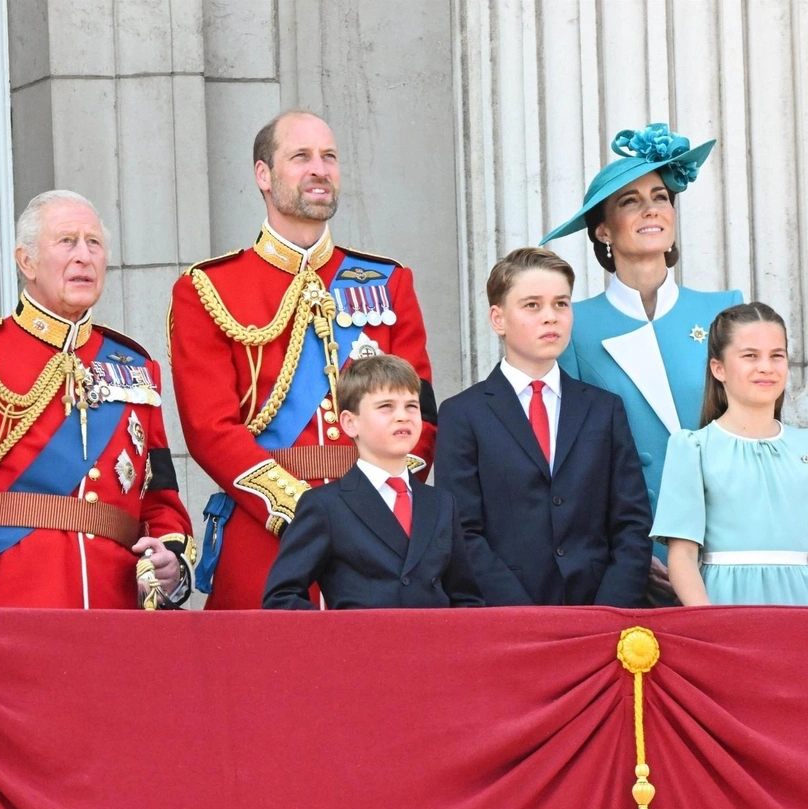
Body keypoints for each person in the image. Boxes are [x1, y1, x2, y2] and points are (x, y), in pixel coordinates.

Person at [169, 110, 437, 609]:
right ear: (263, 175)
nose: (320, 168)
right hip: (265, 536)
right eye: (301, 157)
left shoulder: (388, 282)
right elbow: (210, 428)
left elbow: (423, 416)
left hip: (381, 539)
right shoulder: (207, 289)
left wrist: (373, 507)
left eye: (329, 156)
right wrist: (309, 512)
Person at [0, 190, 195, 609]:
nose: (84, 256)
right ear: (26, 261)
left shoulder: (135, 366)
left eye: (93, 243)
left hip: (114, 613)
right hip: (12, 611)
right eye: (67, 241)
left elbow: (160, 499)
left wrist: (169, 561)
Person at [540, 123, 742, 589]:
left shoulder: (722, 309)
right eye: (630, 201)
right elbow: (573, 461)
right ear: (604, 229)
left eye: (661, 196)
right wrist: (626, 555)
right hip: (631, 558)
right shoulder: (573, 325)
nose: (652, 209)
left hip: (725, 548)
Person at [435, 247, 652, 606]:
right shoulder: (463, 414)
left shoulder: (603, 409)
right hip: (505, 616)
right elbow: (462, 530)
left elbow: (631, 523)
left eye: (561, 304)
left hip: (599, 614)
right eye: (532, 305)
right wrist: (523, 615)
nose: (550, 317)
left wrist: (609, 610)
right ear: (498, 319)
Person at [263, 355, 482, 610]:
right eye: (386, 406)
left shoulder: (442, 503)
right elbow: (282, 597)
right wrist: (340, 638)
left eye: (411, 406)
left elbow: (466, 599)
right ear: (350, 422)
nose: (403, 416)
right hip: (360, 647)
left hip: (435, 647)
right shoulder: (325, 505)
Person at [652, 303, 808, 605]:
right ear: (718, 368)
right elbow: (682, 555)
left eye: (777, 355)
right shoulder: (694, 448)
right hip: (726, 606)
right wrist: (710, 626)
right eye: (750, 356)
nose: (766, 367)